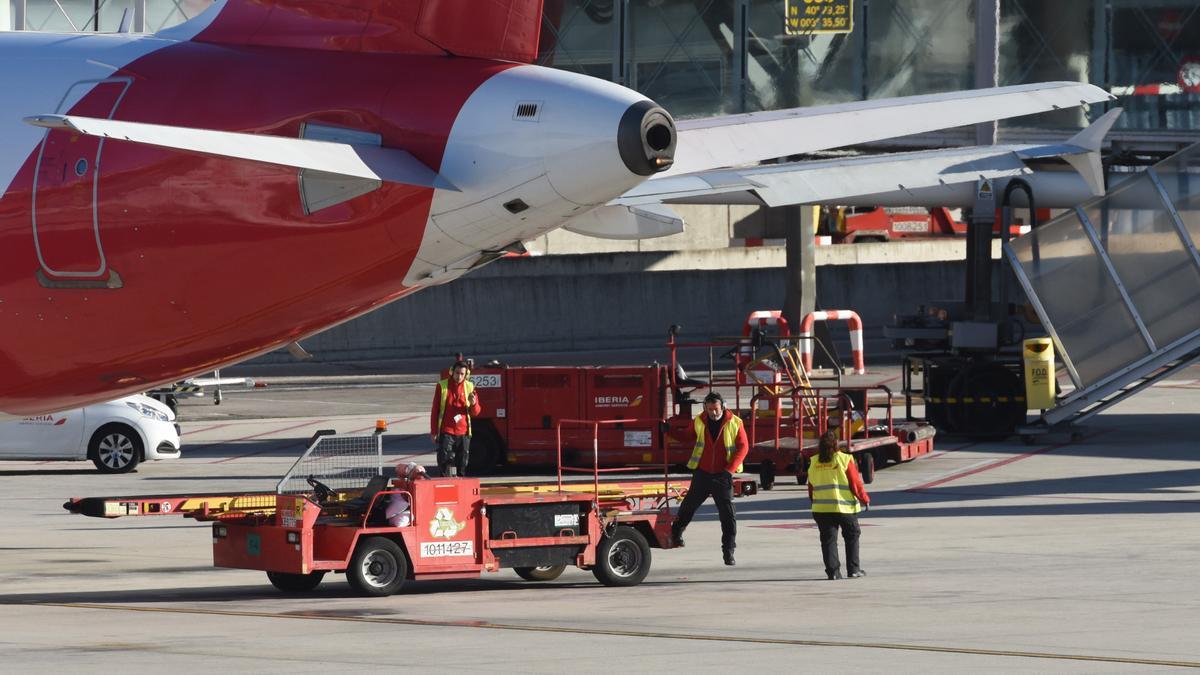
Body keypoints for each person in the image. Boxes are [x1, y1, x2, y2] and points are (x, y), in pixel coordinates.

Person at [670, 391, 749, 566]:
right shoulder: (700, 420)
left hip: (723, 475)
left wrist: (729, 471)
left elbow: (743, 448)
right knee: (687, 507)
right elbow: (686, 437)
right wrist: (669, 430)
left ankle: (728, 551)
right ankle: (675, 534)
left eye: (716, 409)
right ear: (705, 408)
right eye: (710, 409)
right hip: (702, 473)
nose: (713, 413)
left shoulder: (735, 422)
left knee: (728, 516)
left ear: (723, 407)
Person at [807, 430, 870, 580]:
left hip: (821, 509)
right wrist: (864, 499)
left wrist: (815, 500)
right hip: (844, 508)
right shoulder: (844, 459)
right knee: (852, 536)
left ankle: (833, 572)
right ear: (836, 444)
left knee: (828, 540)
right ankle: (853, 569)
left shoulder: (814, 461)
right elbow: (855, 483)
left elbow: (811, 487)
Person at [430, 360, 482, 477]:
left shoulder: (469, 387)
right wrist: (434, 432)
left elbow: (476, 412)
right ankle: (444, 482)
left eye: (462, 374)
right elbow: (435, 411)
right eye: (457, 373)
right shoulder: (442, 386)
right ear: (452, 372)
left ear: (466, 375)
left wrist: (473, 403)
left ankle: (461, 483)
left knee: (462, 462)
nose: (459, 376)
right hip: (447, 430)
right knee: (444, 459)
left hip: (463, 432)